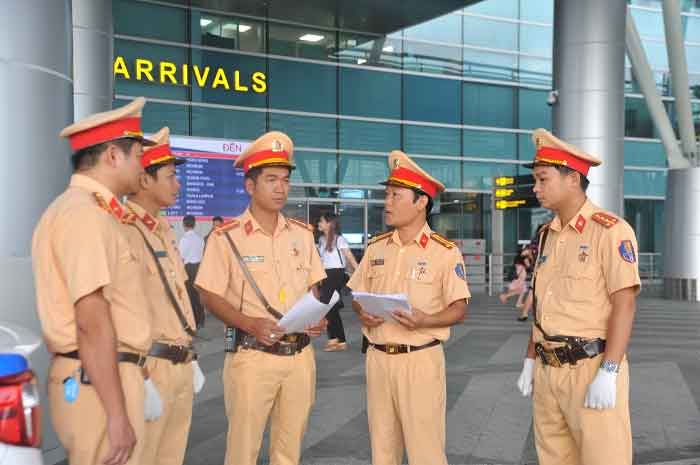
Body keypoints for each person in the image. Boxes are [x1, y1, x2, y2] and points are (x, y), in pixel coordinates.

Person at [32, 97, 155, 465]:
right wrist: (117, 414)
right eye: (137, 155)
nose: (142, 166)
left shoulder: (87, 212)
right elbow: (91, 320)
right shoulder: (84, 215)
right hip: (98, 385)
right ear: (113, 156)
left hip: (102, 378)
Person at [195, 131, 327, 465]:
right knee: (243, 450)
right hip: (252, 359)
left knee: (289, 450)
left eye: (284, 180)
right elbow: (208, 293)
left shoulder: (302, 234)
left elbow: (314, 286)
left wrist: (315, 316)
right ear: (250, 186)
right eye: (271, 180)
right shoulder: (227, 237)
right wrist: (248, 323)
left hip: (300, 359)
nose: (281, 188)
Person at [515, 128, 641, 465]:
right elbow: (543, 306)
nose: (536, 188)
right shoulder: (546, 235)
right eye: (535, 180)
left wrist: (610, 370)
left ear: (572, 178)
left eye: (543, 179)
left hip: (590, 367)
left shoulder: (611, 231)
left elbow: (624, 304)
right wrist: (530, 359)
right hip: (547, 369)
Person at [348, 150, 470, 465]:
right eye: (386, 195)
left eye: (395, 195)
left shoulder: (445, 252)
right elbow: (357, 295)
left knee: (425, 452)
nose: (386, 202)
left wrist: (427, 319)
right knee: (382, 450)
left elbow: (459, 308)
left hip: (420, 361)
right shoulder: (376, 247)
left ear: (421, 202)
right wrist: (362, 311)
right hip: (377, 359)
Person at [125, 127, 203, 465]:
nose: (178, 184)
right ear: (144, 181)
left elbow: (178, 301)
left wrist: (190, 351)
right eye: (170, 176)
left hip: (179, 363)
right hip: (148, 368)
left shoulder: (164, 231)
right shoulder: (124, 231)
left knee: (172, 456)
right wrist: (136, 375)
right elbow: (118, 311)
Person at [317, 212, 359, 351]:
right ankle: (338, 341)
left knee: (326, 305)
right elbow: (320, 260)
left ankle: (335, 340)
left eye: (321, 221)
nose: (319, 223)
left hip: (336, 274)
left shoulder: (339, 239)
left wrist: (359, 274)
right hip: (325, 275)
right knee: (331, 308)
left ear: (329, 223)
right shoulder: (322, 240)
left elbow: (350, 258)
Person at [179, 215, 205, 328]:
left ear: (184, 225)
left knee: (189, 296)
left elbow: (181, 257)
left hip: (189, 269)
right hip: (199, 268)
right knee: (198, 295)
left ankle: (193, 321)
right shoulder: (200, 239)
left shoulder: (184, 239)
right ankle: (201, 319)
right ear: (194, 225)